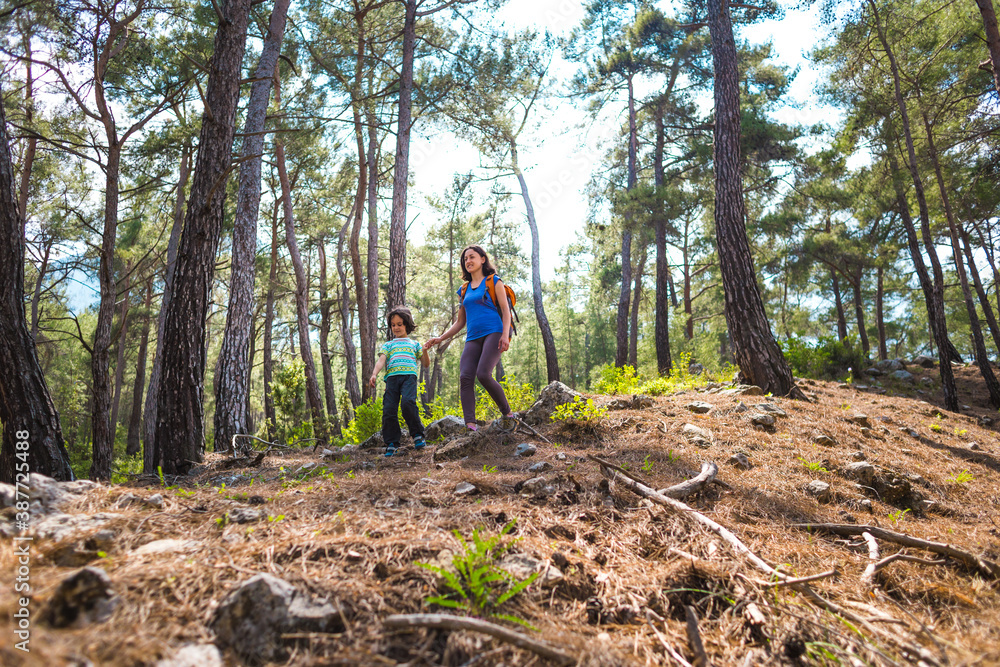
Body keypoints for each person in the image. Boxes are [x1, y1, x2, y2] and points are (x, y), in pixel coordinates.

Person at [425, 245, 514, 432]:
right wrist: (440, 338)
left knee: (483, 374)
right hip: (473, 337)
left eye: (472, 257)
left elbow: (506, 311)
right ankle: (471, 425)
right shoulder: (464, 290)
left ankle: (508, 414)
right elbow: (459, 322)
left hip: (495, 332)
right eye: (465, 259)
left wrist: (505, 335)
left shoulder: (494, 281)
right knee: (465, 377)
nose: (468, 261)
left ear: (483, 259)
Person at [369, 306, 430, 457]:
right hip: (392, 380)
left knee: (408, 403)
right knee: (389, 409)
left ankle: (417, 435)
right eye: (393, 325)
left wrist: (425, 351)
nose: (396, 327)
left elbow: (426, 364)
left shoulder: (414, 344)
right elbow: (381, 360)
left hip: (409, 377)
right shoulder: (388, 345)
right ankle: (392, 443)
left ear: (407, 325)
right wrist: (374, 374)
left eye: (400, 324)